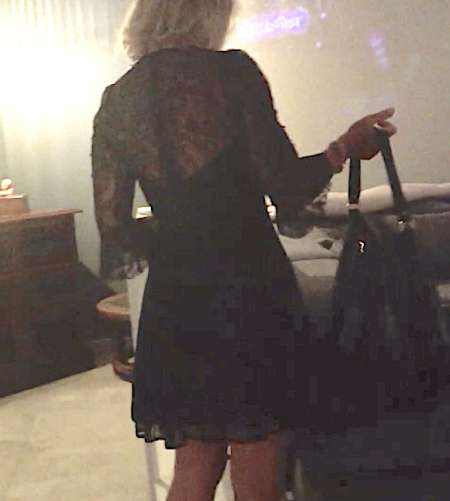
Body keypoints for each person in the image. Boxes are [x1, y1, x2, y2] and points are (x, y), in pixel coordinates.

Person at [91, 1, 397, 499]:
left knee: (194, 470)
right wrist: (343, 147)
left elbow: (113, 226)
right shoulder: (232, 73)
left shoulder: (117, 100)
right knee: (257, 474)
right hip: (248, 288)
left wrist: (180, 237)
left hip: (177, 300)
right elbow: (286, 186)